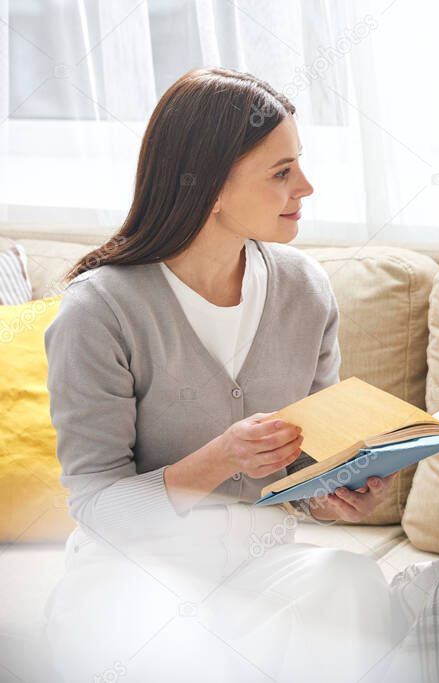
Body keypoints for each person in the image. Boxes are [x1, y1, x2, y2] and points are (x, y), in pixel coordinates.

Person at [43, 68, 396, 683]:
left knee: (349, 582)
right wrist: (221, 458)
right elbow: (98, 505)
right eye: (281, 172)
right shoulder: (99, 311)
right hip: (133, 581)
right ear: (208, 185)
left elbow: (300, 472)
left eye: (300, 165)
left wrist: (337, 495)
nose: (306, 187)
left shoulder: (304, 289)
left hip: (259, 575)